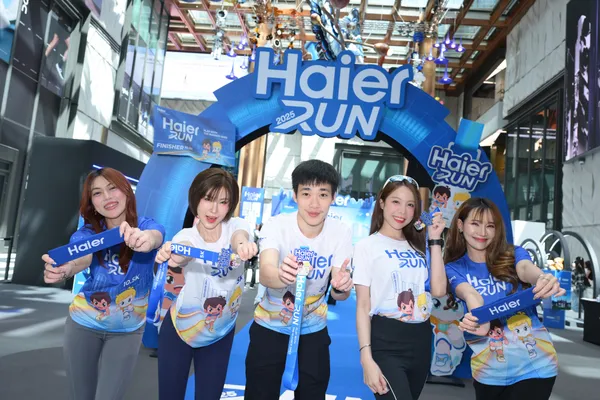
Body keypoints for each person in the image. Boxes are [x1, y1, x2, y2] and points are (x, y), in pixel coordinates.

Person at [42, 167, 165, 400]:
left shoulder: (146, 226)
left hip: (127, 329)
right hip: (83, 322)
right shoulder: (87, 234)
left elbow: (155, 237)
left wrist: (145, 240)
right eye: (97, 193)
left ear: (126, 191)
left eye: (112, 188)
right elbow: (80, 258)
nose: (107, 197)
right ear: (92, 203)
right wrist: (65, 269)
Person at [245, 159, 354, 400]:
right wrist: (281, 275)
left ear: (333, 197)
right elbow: (266, 272)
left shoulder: (341, 232)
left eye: (323, 194)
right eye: (306, 193)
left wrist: (341, 286)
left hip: (313, 331)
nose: (314, 204)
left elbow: (340, 289)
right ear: (295, 195)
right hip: (269, 328)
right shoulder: (276, 225)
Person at [444, 198, 564, 400]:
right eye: (475, 223)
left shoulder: (514, 254)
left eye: (490, 226)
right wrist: (479, 319)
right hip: (488, 371)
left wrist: (542, 278)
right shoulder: (454, 268)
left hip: (536, 365)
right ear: (460, 225)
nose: (482, 232)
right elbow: (470, 294)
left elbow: (526, 269)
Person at [155, 168, 258, 400]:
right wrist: (173, 254)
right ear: (195, 198)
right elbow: (182, 252)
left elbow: (239, 237)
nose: (214, 210)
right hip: (181, 329)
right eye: (208, 199)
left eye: (223, 202)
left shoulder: (236, 226)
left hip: (220, 332)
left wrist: (243, 247)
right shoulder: (186, 236)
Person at [353, 175, 446, 399]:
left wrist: (434, 239)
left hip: (421, 339)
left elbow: (439, 290)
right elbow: (363, 305)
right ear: (382, 203)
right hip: (386, 339)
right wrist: (366, 357)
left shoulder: (419, 246)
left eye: (410, 205)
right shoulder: (367, 246)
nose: (402, 211)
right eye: (396, 201)